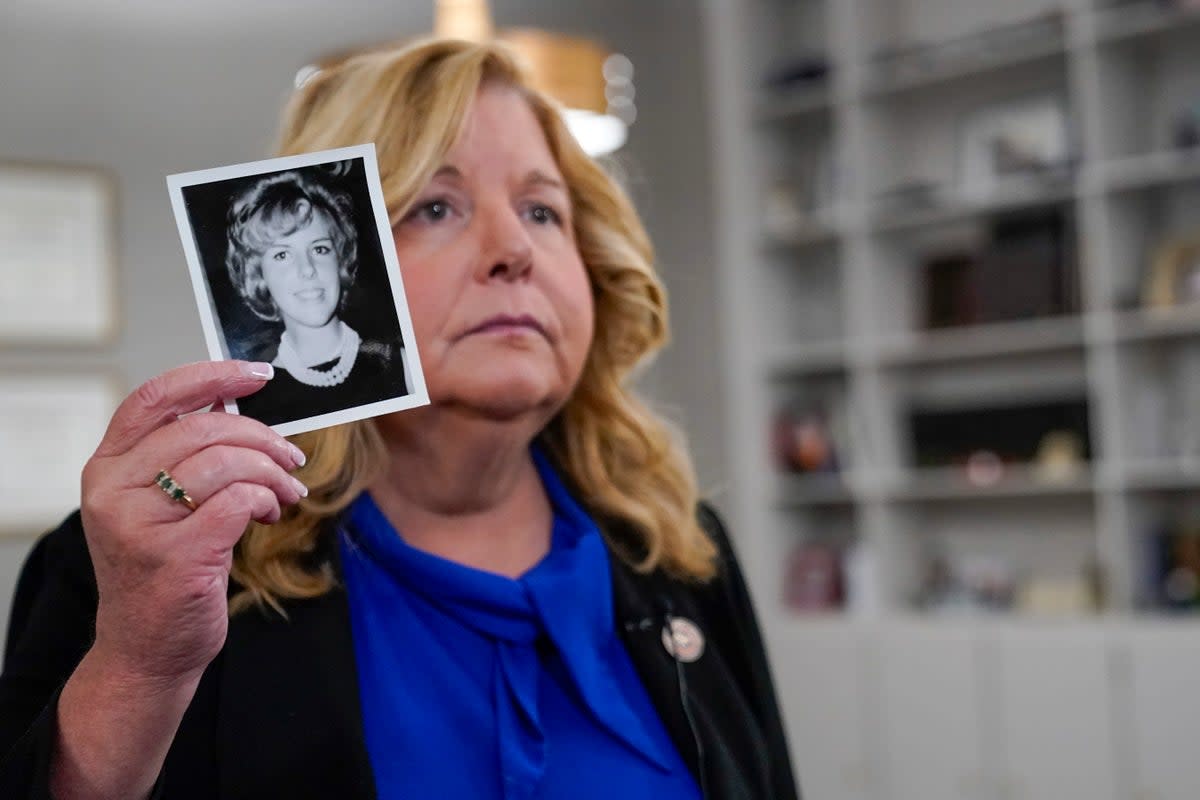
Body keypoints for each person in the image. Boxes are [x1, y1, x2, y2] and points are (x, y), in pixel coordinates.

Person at [0, 36, 799, 800]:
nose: (513, 249)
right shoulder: (149, 571)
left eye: (544, 212)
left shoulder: (682, 552)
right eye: (438, 207)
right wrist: (138, 670)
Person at [223, 169, 409, 426]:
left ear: (340, 260)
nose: (307, 269)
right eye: (282, 255)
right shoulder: (251, 405)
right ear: (259, 275)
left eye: (320, 249)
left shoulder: (402, 364)